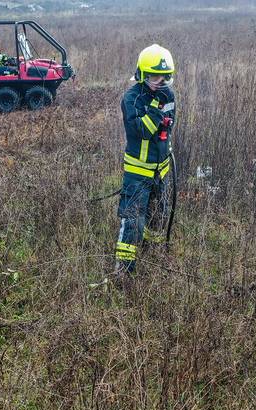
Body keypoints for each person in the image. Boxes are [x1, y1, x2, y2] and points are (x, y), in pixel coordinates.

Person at [114, 44, 176, 276]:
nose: (159, 81)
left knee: (159, 214)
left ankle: (153, 253)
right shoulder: (131, 98)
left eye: (163, 76)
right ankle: (124, 271)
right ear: (141, 74)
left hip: (161, 170)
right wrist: (155, 110)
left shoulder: (168, 94)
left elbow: (170, 124)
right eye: (153, 76)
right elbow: (140, 130)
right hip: (138, 172)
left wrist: (162, 117)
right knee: (133, 220)